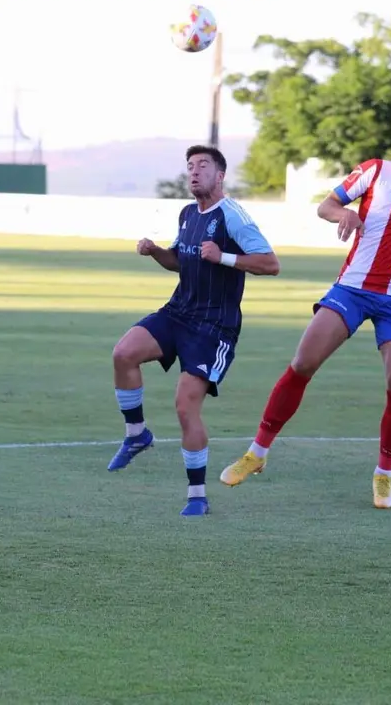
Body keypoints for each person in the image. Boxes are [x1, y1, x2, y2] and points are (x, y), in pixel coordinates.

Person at [220, 122, 391, 509]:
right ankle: (256, 453)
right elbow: (326, 205)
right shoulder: (377, 170)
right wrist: (342, 216)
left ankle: (384, 475)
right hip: (352, 289)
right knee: (303, 361)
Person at [107, 145, 281, 516]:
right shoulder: (188, 213)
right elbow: (181, 261)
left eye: (203, 165)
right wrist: (156, 251)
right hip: (178, 312)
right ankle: (137, 435)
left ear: (220, 176)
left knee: (185, 406)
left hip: (213, 328)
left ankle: (197, 496)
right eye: (189, 166)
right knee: (123, 354)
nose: (194, 171)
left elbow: (270, 263)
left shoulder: (233, 216)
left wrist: (224, 257)